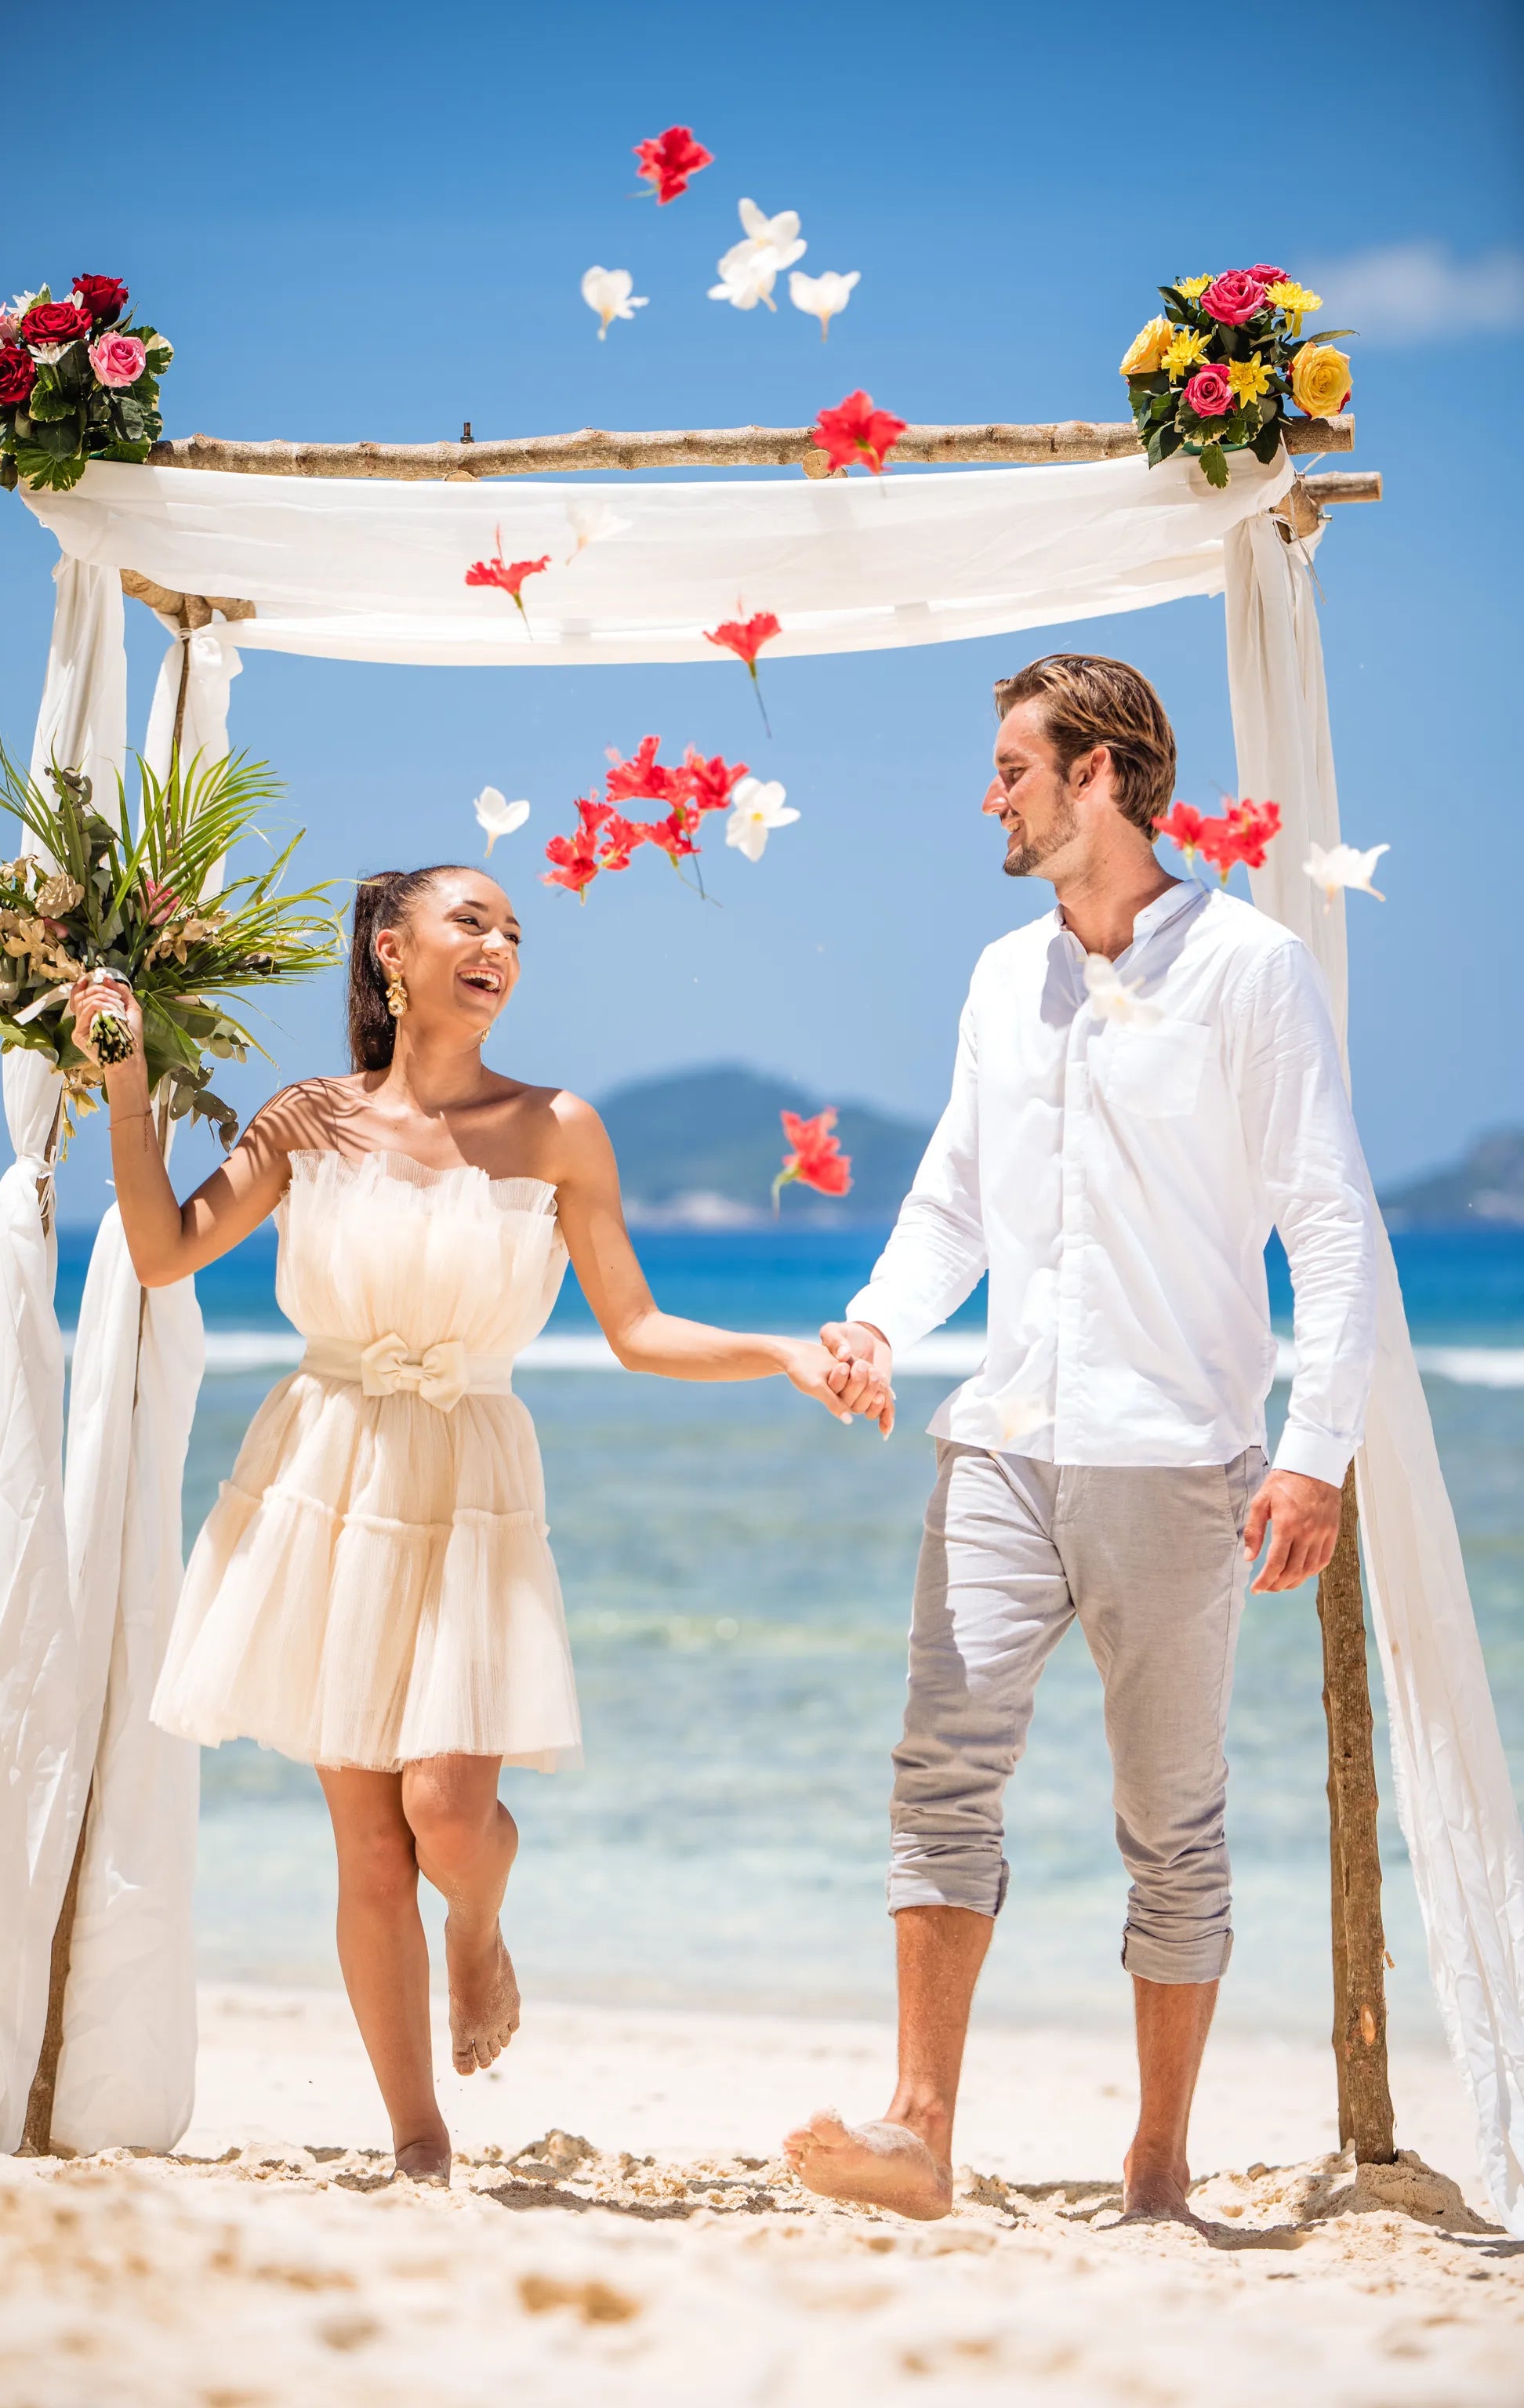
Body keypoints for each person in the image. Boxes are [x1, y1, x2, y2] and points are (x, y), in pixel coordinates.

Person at [71, 861, 891, 2184]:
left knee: (449, 1817)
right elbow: (164, 1252)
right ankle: (418, 2138)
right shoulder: (307, 1119)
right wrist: (123, 1089)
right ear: (391, 952)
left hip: (471, 1482)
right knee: (368, 1846)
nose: (501, 942)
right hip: (327, 1473)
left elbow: (636, 1327)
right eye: (472, 920)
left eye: (515, 929)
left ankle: (480, 1925)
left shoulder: (557, 1127)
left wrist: (783, 1352)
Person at [784, 654, 1377, 2228]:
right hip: (1001, 1445)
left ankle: (1159, 2159)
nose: (989, 797)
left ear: (1098, 774)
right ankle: (920, 2129)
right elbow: (953, 1204)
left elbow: (1329, 1225)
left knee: (1170, 1823)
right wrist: (875, 1324)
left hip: (1176, 1460)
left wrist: (1315, 1451)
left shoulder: (1251, 969)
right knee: (939, 1775)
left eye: (1012, 768)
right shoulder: (1002, 977)